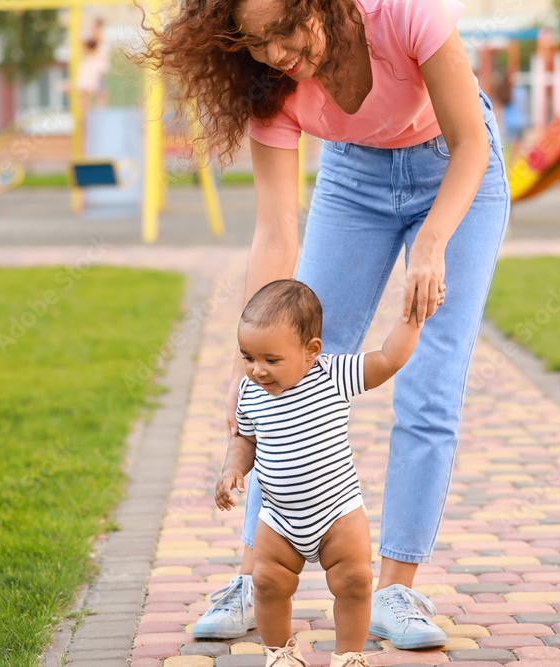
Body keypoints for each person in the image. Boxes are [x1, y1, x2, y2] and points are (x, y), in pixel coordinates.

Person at [143, 0, 511, 650]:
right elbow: (275, 230)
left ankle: (394, 586)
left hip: (453, 171)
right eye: (257, 44)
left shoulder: (405, 14)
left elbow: (472, 145)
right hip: (352, 177)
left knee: (430, 380)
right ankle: (257, 575)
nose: (277, 55)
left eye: (284, 30)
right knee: (282, 373)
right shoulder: (270, 85)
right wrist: (242, 364)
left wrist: (433, 241)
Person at [216, 279, 425, 667]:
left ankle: (348, 656)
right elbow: (245, 440)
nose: (257, 370)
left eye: (271, 359)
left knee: (355, 583)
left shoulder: (333, 375)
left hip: (337, 513)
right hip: (278, 518)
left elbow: (387, 359)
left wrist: (411, 319)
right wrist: (232, 468)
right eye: (248, 357)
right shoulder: (248, 393)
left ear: (311, 352)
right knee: (267, 583)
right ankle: (280, 653)